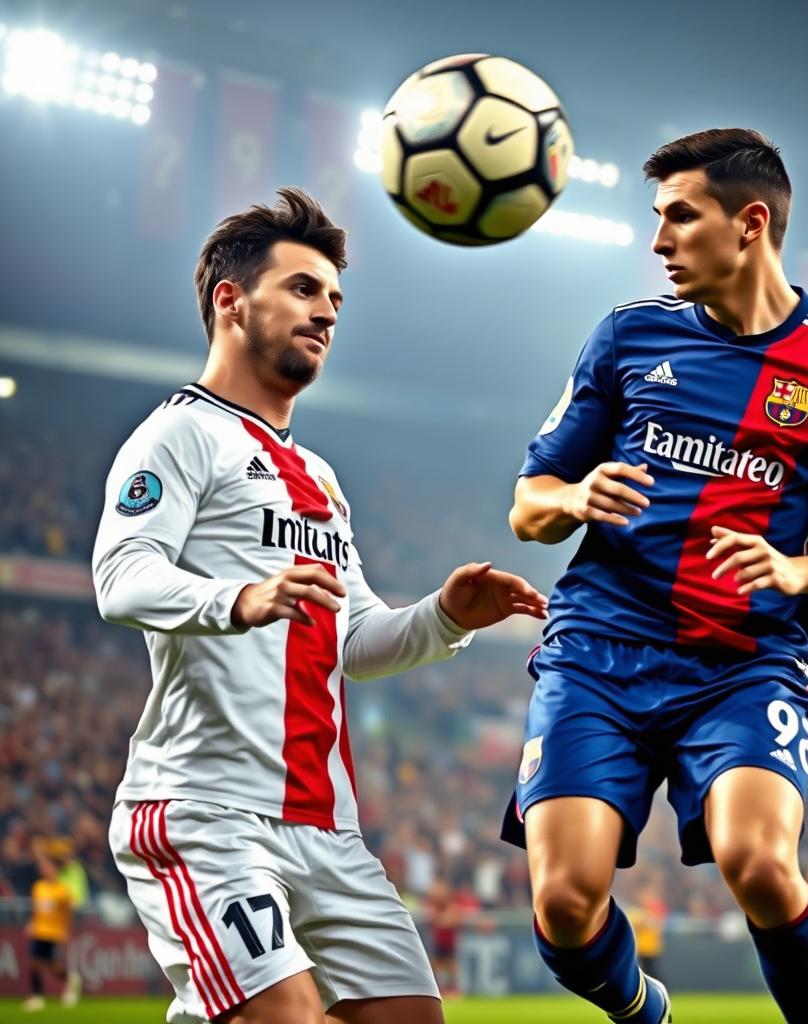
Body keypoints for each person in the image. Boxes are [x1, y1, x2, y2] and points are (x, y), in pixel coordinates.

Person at [502, 128, 808, 1024]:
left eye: (678, 217)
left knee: (761, 862)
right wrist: (576, 494)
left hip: (743, 661)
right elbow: (527, 504)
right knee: (563, 904)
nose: (658, 241)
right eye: (655, 220)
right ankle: (639, 1006)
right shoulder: (628, 338)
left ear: (749, 224)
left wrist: (796, 567)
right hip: (599, 646)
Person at [93, 188, 547, 1024]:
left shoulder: (322, 479)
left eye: (335, 298)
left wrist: (445, 616)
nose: (327, 313)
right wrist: (241, 596)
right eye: (303, 289)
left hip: (327, 826)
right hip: (208, 810)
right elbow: (121, 576)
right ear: (231, 301)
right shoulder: (181, 434)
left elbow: (355, 637)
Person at [22, 854, 80, 1011]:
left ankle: (70, 979)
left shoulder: (62, 890)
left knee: (51, 966)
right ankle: (37, 997)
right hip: (39, 930)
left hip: (54, 933)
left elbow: (68, 913)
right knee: (34, 963)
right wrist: (31, 923)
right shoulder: (38, 887)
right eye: (44, 867)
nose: (45, 869)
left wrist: (66, 930)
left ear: (55, 870)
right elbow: (36, 910)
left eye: (49, 866)